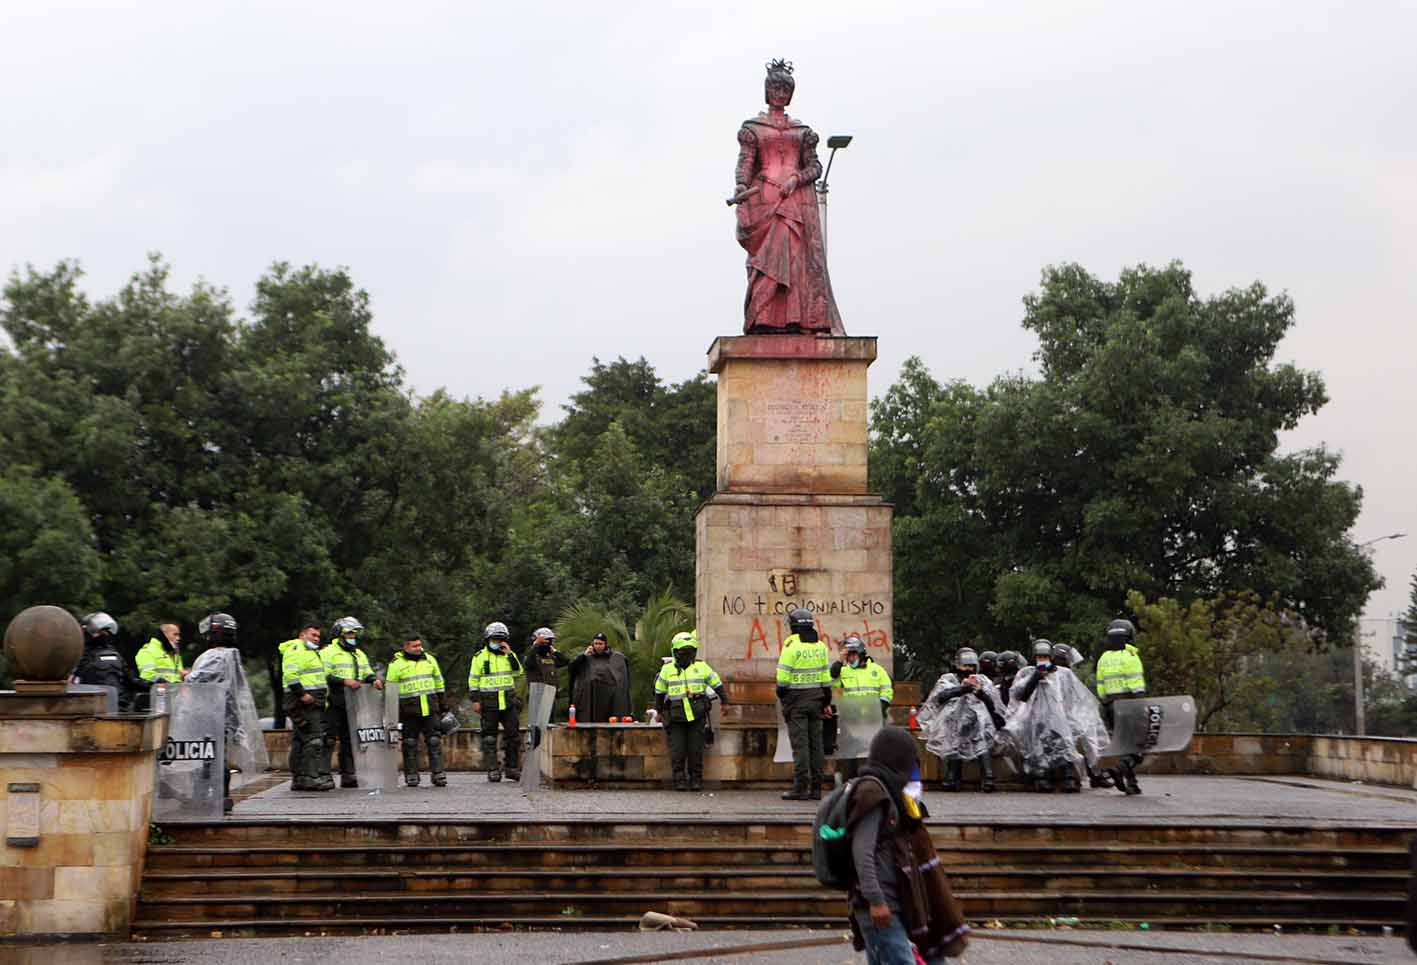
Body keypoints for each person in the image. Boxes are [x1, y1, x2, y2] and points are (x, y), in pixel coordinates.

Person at [732, 59, 843, 335]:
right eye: (776, 88)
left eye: (785, 89)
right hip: (765, 200)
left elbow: (814, 167)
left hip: (793, 202)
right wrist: (740, 187)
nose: (780, 94)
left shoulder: (801, 132)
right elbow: (745, 164)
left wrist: (796, 178)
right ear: (768, 91)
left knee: (794, 260)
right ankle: (762, 318)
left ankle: (794, 317)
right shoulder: (753, 128)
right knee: (767, 261)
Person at [843, 727, 970, 965]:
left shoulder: (892, 791)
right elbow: (862, 852)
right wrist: (876, 901)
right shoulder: (871, 792)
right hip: (881, 903)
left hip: (899, 899)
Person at [187, 613, 269, 813]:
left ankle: (211, 797)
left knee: (208, 757)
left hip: (210, 715)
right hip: (221, 715)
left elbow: (197, 679)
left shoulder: (217, 656)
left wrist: (184, 675)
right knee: (215, 757)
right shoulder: (231, 655)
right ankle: (218, 797)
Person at [1005, 640, 1109, 793]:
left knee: (1065, 746)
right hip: (1034, 718)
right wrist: (1036, 676)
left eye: (1045, 657)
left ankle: (1070, 777)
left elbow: (1075, 696)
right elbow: (1020, 695)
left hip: (1059, 719)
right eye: (1039, 657)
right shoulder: (1026, 672)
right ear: (1034, 657)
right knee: (1038, 748)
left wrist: (1074, 717)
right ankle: (1042, 776)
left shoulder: (1063, 673)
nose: (1042, 660)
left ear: (1051, 657)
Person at [921, 648, 1006, 792]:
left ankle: (988, 777)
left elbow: (993, 704)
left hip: (978, 722)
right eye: (965, 666)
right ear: (958, 665)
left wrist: (979, 692)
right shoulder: (948, 679)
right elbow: (939, 697)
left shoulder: (983, 680)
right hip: (954, 722)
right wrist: (962, 689)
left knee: (982, 741)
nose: (968, 669)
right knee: (953, 741)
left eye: (971, 666)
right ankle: (953, 777)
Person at [654, 630, 728, 791]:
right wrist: (659, 712)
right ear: (675, 652)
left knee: (696, 750)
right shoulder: (667, 669)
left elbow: (717, 684)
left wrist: (725, 702)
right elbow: (659, 692)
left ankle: (696, 780)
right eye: (682, 652)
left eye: (689, 651)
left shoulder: (701, 667)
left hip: (697, 715)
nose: (686, 655)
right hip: (675, 717)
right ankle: (679, 780)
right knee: (678, 751)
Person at [320, 616, 382, 789]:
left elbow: (366, 672)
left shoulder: (358, 654)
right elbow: (323, 674)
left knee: (350, 741)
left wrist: (373, 680)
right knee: (329, 739)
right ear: (339, 634)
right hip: (332, 701)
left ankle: (348, 775)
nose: (352, 636)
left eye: (354, 634)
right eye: (349, 633)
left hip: (353, 702)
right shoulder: (328, 652)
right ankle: (323, 774)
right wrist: (344, 681)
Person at [777, 607, 831, 800]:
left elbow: (782, 679)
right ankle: (817, 788)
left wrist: (782, 696)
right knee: (816, 745)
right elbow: (826, 678)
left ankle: (800, 787)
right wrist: (826, 700)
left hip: (796, 701)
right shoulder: (821, 647)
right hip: (817, 699)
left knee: (801, 746)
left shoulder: (791, 646)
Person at [386, 634, 448, 787]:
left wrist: (443, 705)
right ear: (406, 647)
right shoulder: (396, 664)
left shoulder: (430, 660)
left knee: (434, 741)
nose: (418, 648)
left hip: (430, 708)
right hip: (409, 711)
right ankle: (412, 775)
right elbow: (391, 690)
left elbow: (439, 682)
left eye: (419, 645)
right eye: (414, 646)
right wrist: (393, 713)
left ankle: (438, 774)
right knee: (409, 743)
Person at [1096, 618, 1147, 795]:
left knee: (1124, 743)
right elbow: (1136, 685)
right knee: (1139, 743)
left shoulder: (1104, 658)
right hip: (1129, 704)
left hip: (1110, 705)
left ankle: (1132, 783)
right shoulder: (1130, 656)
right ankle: (1120, 768)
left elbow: (1101, 686)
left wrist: (1106, 704)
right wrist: (1141, 707)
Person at [468, 622, 524, 782]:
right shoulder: (479, 657)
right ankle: (493, 769)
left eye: (500, 639)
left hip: (508, 702)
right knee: (489, 738)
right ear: (488, 639)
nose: (497, 642)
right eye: (494, 639)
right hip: (489, 702)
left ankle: (512, 768)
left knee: (513, 736)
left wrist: (510, 654)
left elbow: (518, 672)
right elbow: (473, 679)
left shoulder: (509, 655)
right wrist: (475, 700)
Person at [282, 617, 332, 792]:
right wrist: (302, 694)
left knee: (301, 741)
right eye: (313, 635)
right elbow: (291, 675)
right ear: (302, 635)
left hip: (312, 701)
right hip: (303, 701)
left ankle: (300, 778)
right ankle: (311, 778)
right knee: (314, 740)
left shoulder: (311, 652)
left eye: (318, 636)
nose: (317, 639)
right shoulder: (296, 650)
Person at [72, 612, 141, 711]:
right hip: (88, 709)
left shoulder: (115, 654)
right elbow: (71, 682)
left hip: (118, 708)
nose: (104, 635)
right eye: (100, 632)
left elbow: (130, 679)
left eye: (106, 632)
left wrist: (152, 685)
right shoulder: (77, 652)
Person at [568, 632, 632, 723]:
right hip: (590, 699)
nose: (598, 646)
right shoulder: (585, 657)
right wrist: (583, 656)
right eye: (596, 643)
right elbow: (571, 667)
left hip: (609, 699)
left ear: (605, 644)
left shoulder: (615, 657)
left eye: (600, 644)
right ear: (592, 644)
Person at [524, 626, 569, 719]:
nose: (546, 644)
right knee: (537, 725)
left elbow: (565, 661)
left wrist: (555, 651)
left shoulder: (551, 657)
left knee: (549, 724)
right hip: (537, 695)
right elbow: (528, 664)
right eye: (543, 642)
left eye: (549, 642)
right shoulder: (532, 657)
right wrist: (536, 645)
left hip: (550, 694)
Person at [136, 620, 187, 687]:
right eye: (175, 634)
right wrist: (170, 685)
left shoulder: (175, 654)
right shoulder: (147, 651)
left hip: (177, 693)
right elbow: (147, 676)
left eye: (178, 635)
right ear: (164, 635)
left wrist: (185, 676)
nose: (178, 638)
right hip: (159, 694)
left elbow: (178, 676)